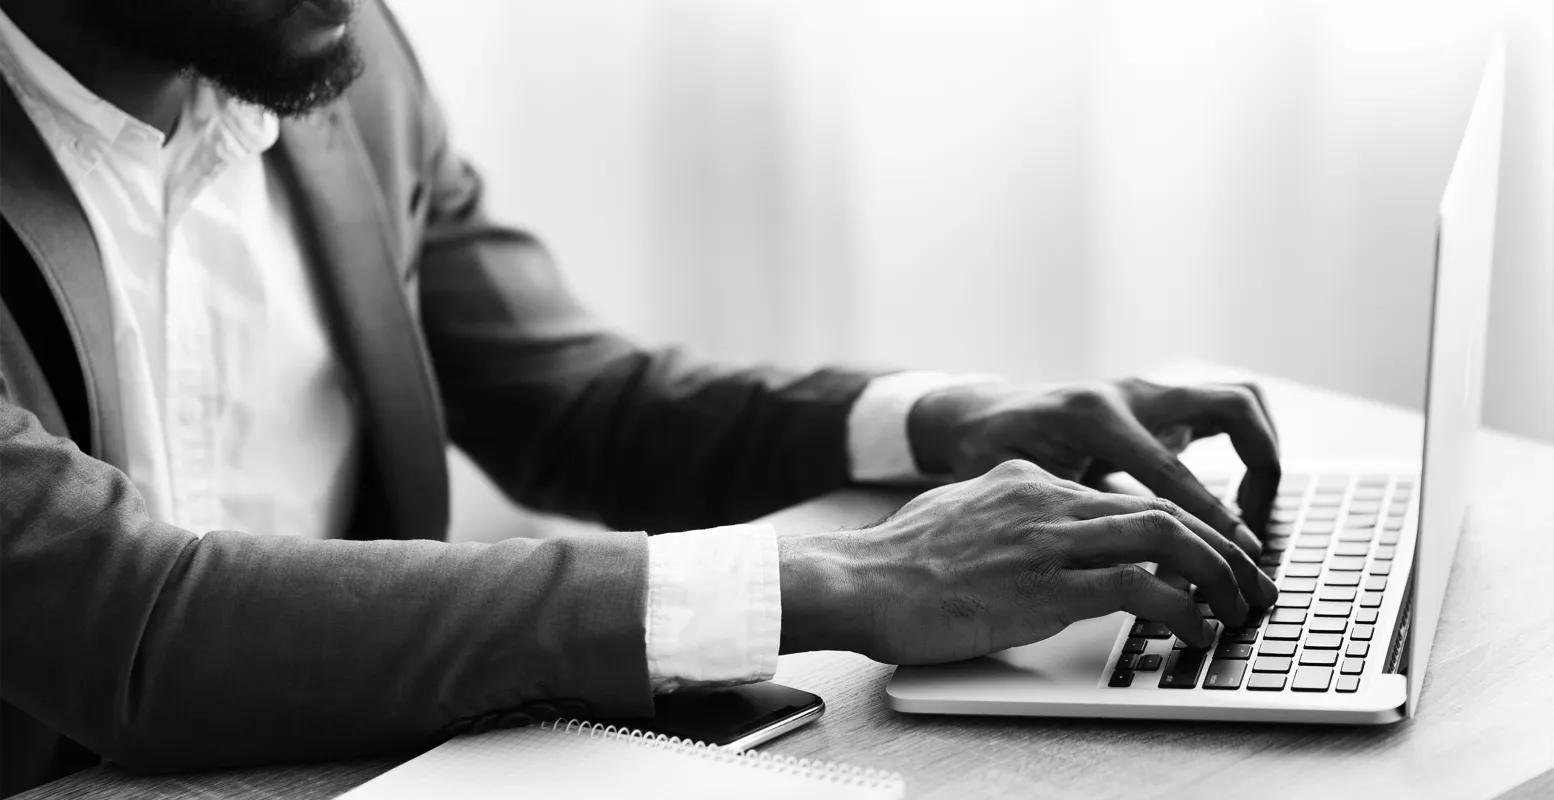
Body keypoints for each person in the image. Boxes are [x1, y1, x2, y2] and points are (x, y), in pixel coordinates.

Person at [0, 0, 1281, 794]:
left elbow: (569, 399)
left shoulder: (339, 53)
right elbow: (133, 622)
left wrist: (928, 418)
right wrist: (826, 579)